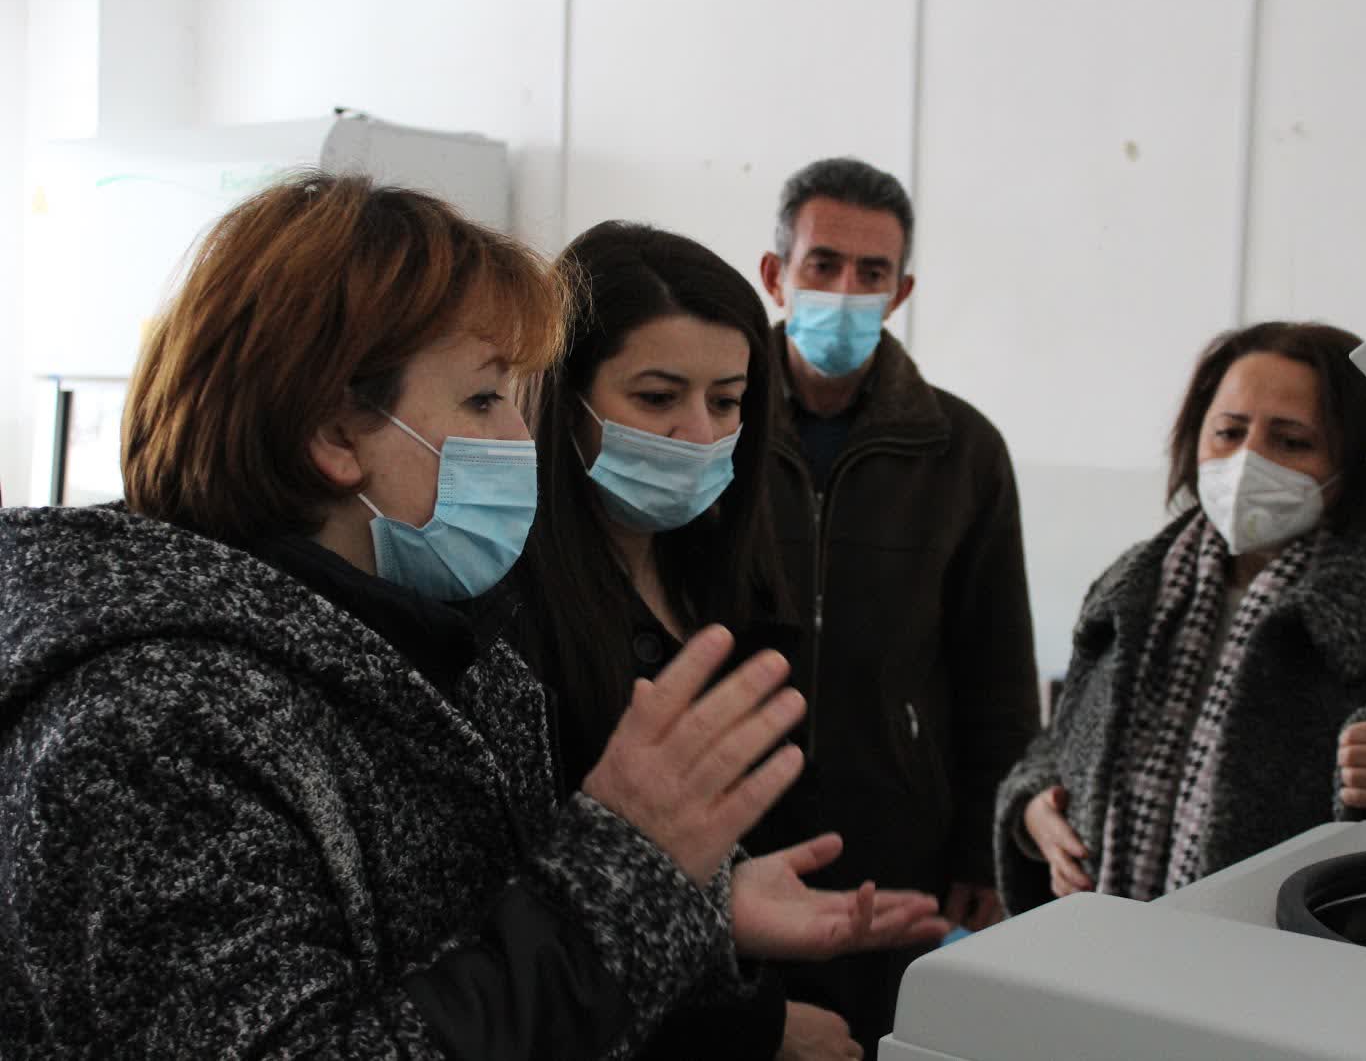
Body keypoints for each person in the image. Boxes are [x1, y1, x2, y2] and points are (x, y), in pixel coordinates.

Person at [0, 174, 936, 1058]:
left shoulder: (429, 646)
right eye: (488, 398)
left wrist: (695, 900)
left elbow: (468, 945)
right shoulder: (149, 724)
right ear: (334, 434)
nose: (522, 441)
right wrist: (631, 862)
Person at [509, 219, 950, 1061]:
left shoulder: (721, 571)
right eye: (656, 397)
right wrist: (747, 1027)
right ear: (566, 397)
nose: (701, 434)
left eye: (726, 400)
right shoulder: (515, 602)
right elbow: (524, 918)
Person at [995, 320, 1366, 914]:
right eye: (1229, 432)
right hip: (1099, 955)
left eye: (1292, 442)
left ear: (1361, 462)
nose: (1247, 463)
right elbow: (1058, 749)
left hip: (1300, 982)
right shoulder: (1131, 586)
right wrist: (1034, 808)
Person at [752, 156, 1042, 1054]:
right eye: (823, 264)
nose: (845, 290)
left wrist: (983, 850)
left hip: (899, 844)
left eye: (871, 273)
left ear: (902, 288)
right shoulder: (713, 424)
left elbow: (996, 667)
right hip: (739, 831)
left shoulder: (961, 449)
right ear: (775, 275)